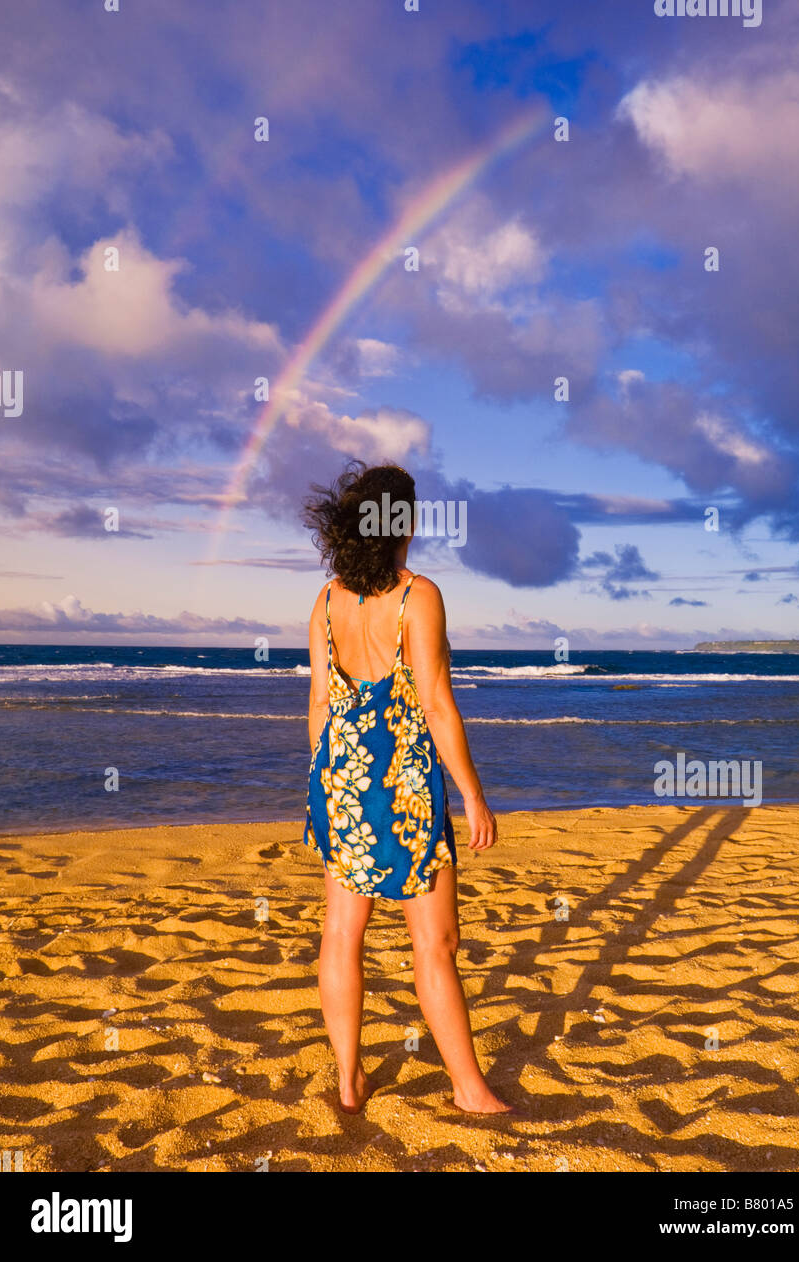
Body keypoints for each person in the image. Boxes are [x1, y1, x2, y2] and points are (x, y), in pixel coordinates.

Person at [302, 461, 513, 1115]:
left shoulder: (327, 598)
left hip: (340, 776)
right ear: (402, 523)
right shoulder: (418, 595)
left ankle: (348, 1079)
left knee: (341, 934)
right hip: (404, 786)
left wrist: (326, 782)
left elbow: (318, 703)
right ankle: (469, 1089)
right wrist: (473, 793)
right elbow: (437, 703)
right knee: (436, 943)